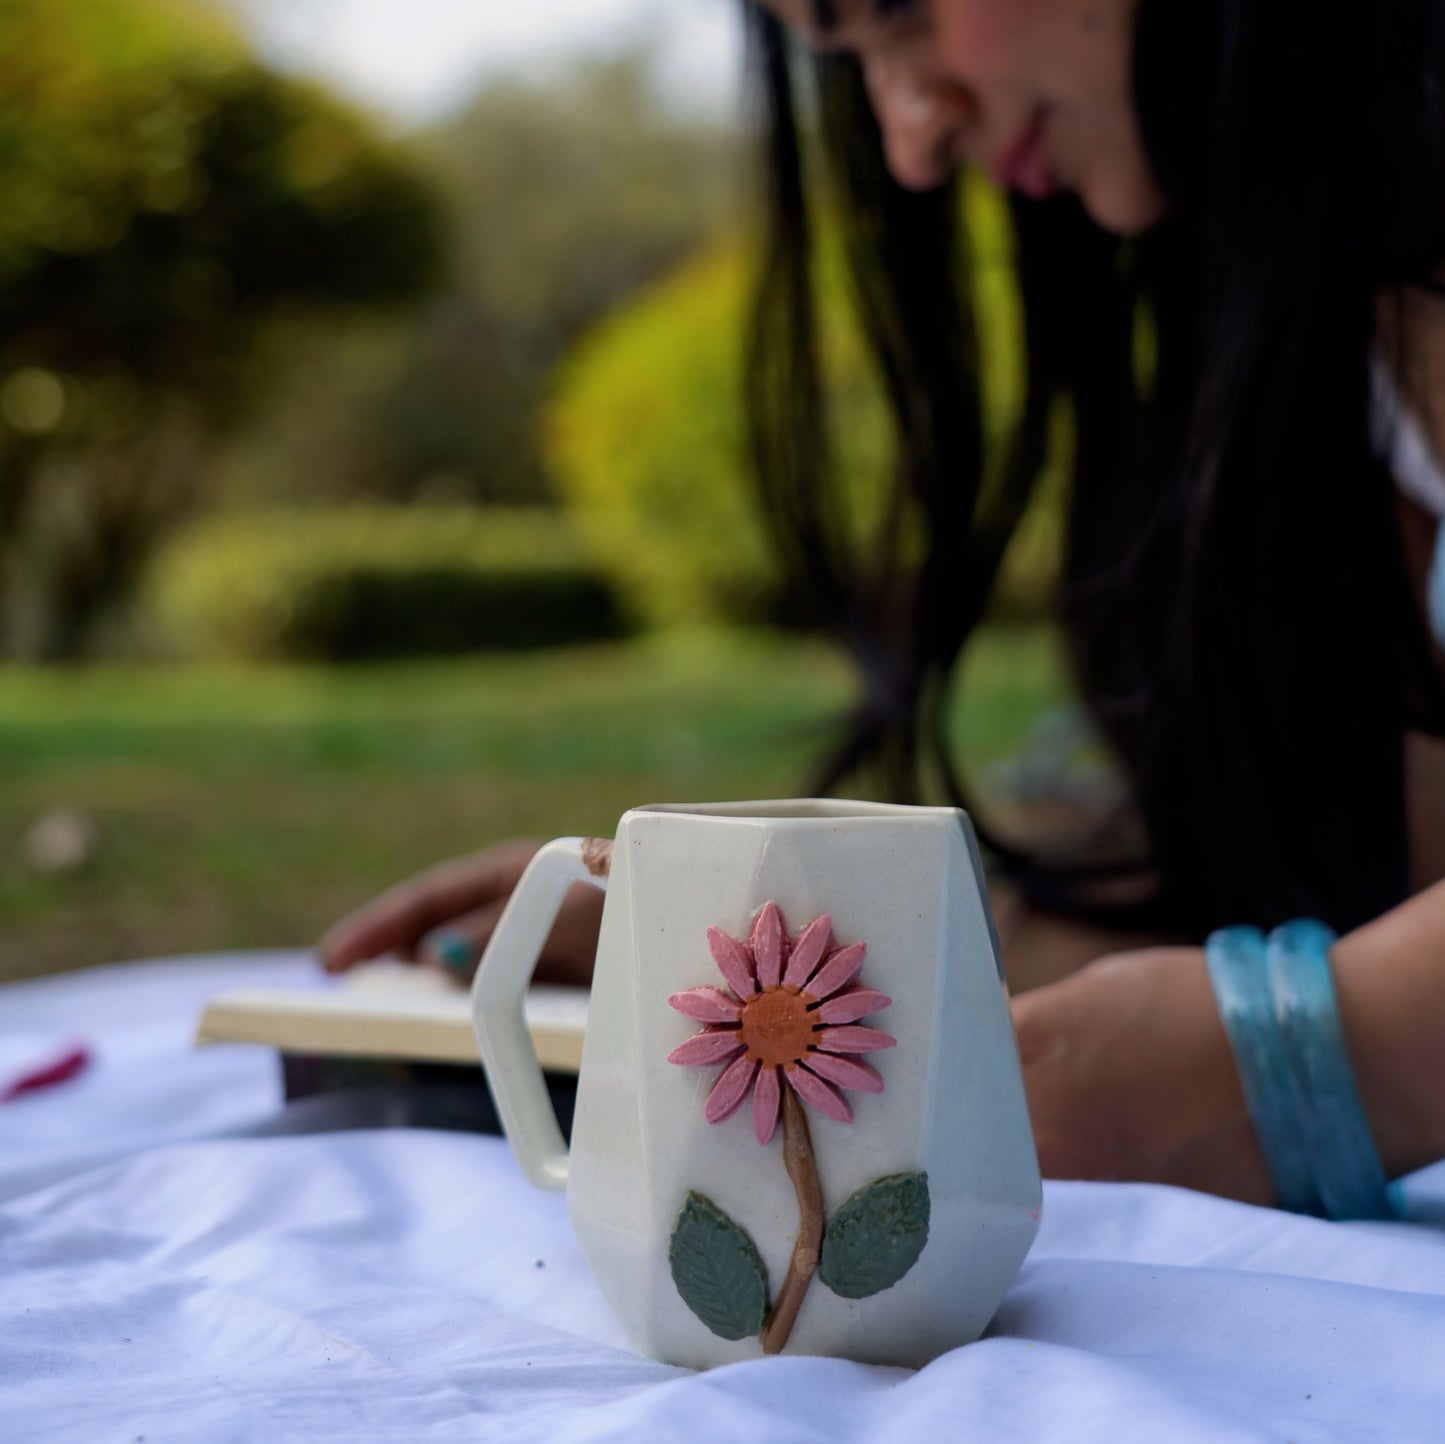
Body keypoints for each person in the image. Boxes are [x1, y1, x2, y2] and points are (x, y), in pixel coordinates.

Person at [320, 0, 1445, 1214]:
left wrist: (1302, 1067)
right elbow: (1367, 876)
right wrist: (813, 947)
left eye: (897, 13)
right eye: (846, 62)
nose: (908, 141)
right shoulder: (1347, 339)